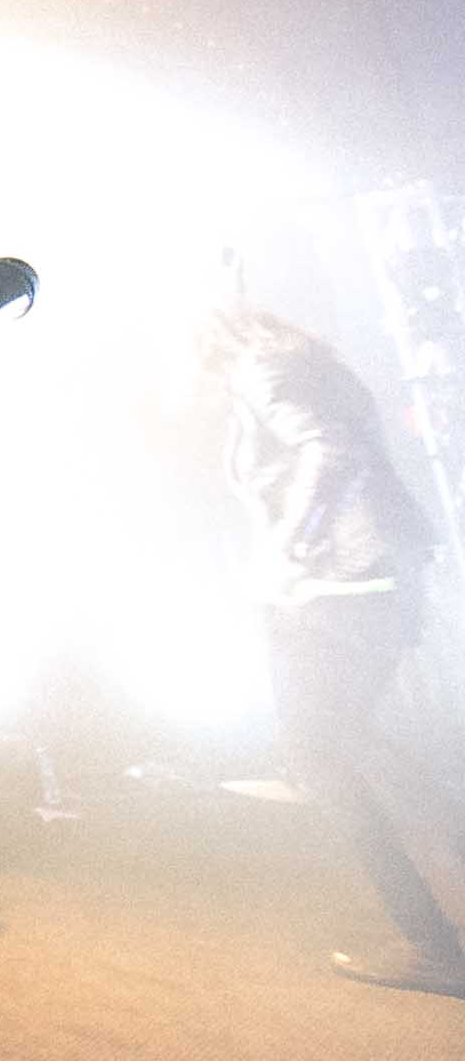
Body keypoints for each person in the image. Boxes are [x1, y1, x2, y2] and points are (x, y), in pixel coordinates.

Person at [206, 307, 465, 999]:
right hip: (366, 581)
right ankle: (433, 933)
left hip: (342, 585)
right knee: (347, 745)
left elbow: (331, 452)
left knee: (321, 751)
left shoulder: (263, 371)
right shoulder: (304, 365)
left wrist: (292, 549)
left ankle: (433, 945)